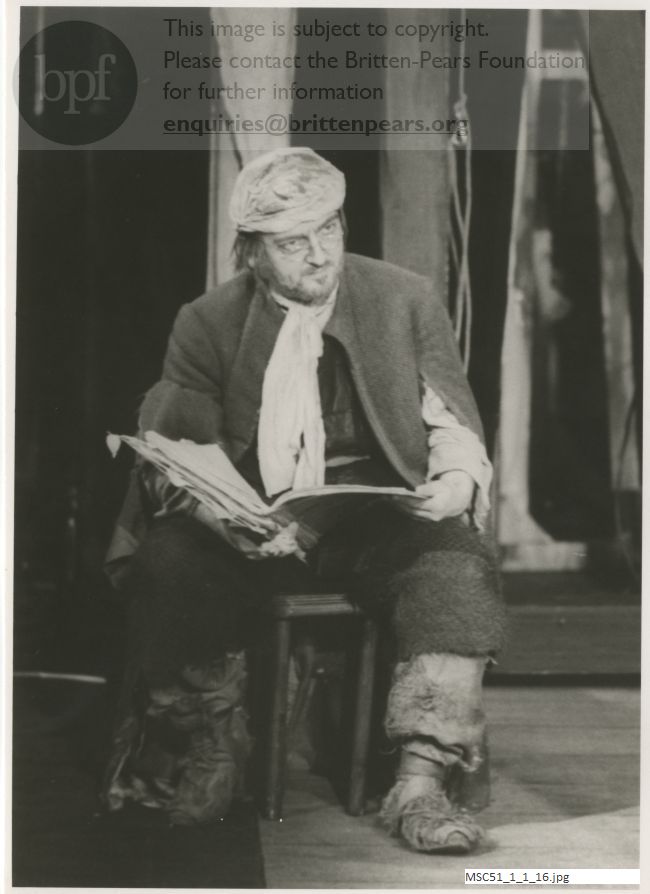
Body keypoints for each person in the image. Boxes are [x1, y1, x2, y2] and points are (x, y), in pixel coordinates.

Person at [104, 147, 506, 855]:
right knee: (169, 559)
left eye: (330, 229)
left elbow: (450, 423)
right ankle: (206, 749)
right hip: (253, 528)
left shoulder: (402, 297)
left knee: (454, 562)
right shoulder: (207, 321)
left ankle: (421, 779)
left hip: (371, 521)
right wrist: (232, 521)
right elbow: (170, 463)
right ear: (253, 252)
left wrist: (455, 481)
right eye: (294, 243)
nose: (320, 256)